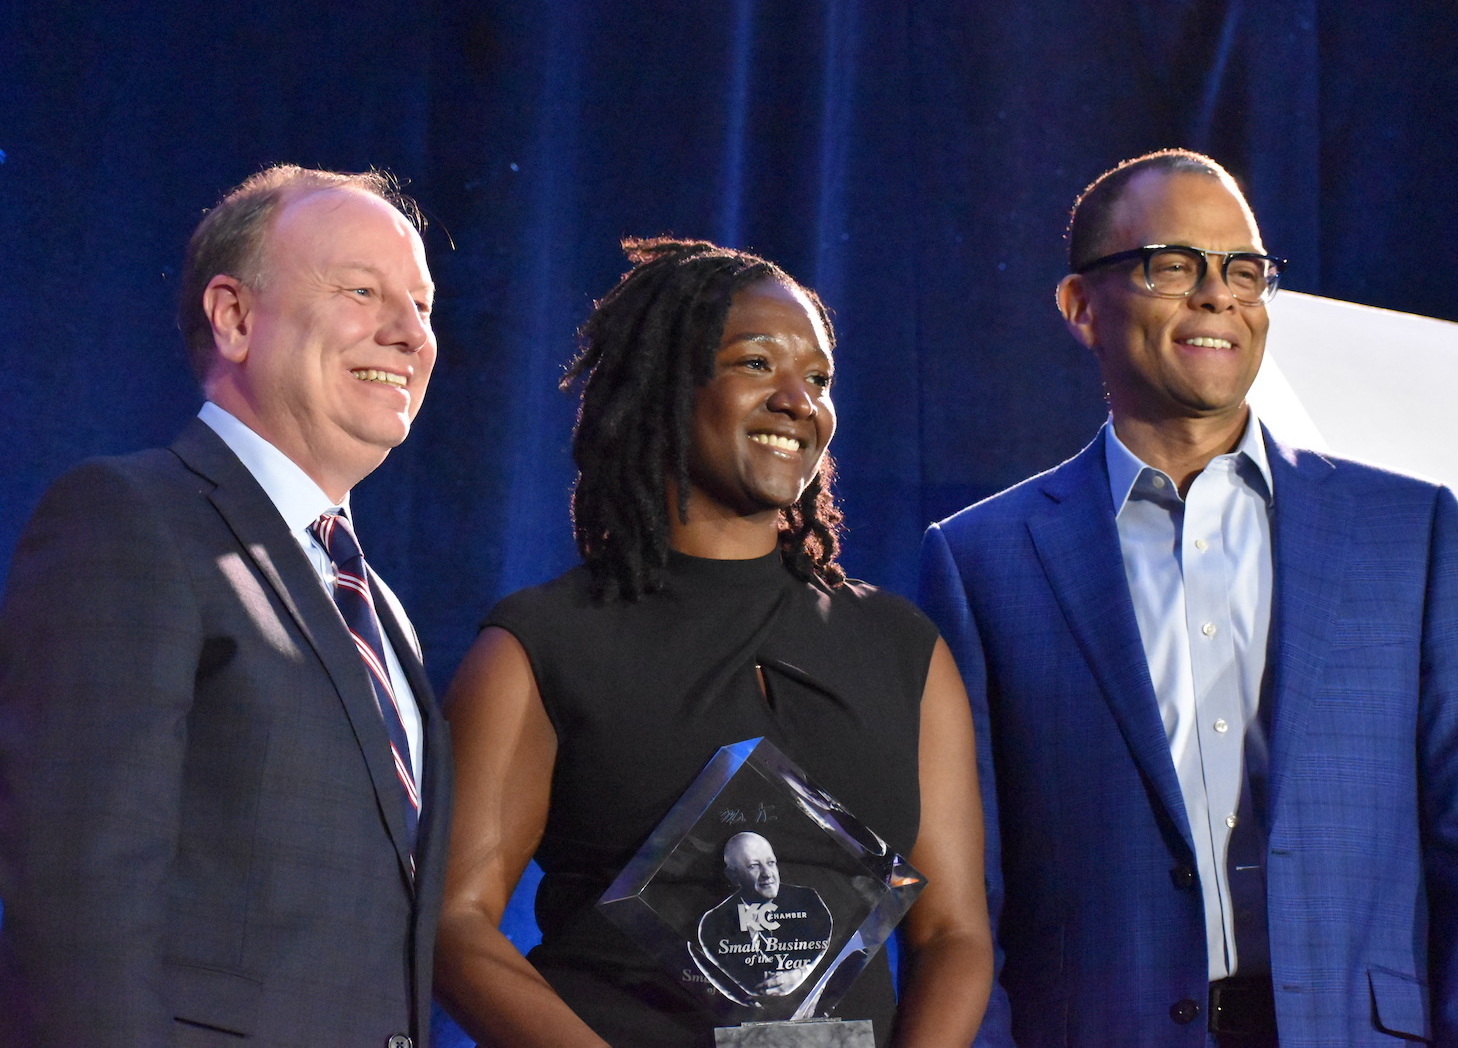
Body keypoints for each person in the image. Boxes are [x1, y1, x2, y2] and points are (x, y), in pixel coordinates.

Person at [919, 149, 1458, 1047]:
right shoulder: (982, 559)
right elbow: (961, 896)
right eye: (1174, 265)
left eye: (1244, 270)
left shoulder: (1408, 531)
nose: (1218, 295)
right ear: (1082, 306)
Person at [434, 237, 993, 1047]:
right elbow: (455, 924)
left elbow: (953, 934)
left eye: (819, 379)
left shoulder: (902, 647)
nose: (798, 400)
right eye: (757, 364)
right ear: (665, 387)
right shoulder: (541, 644)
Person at [0, 165, 449, 1047]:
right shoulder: (129, 519)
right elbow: (78, 901)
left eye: (424, 305)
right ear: (235, 317)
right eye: (362, 291)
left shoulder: (382, 611)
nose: (410, 334)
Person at [694, 831, 834, 1001]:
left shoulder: (808, 901)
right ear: (733, 875)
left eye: (770, 863)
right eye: (754, 866)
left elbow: (830, 952)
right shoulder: (712, 924)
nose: (767, 874)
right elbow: (739, 988)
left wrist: (800, 973)